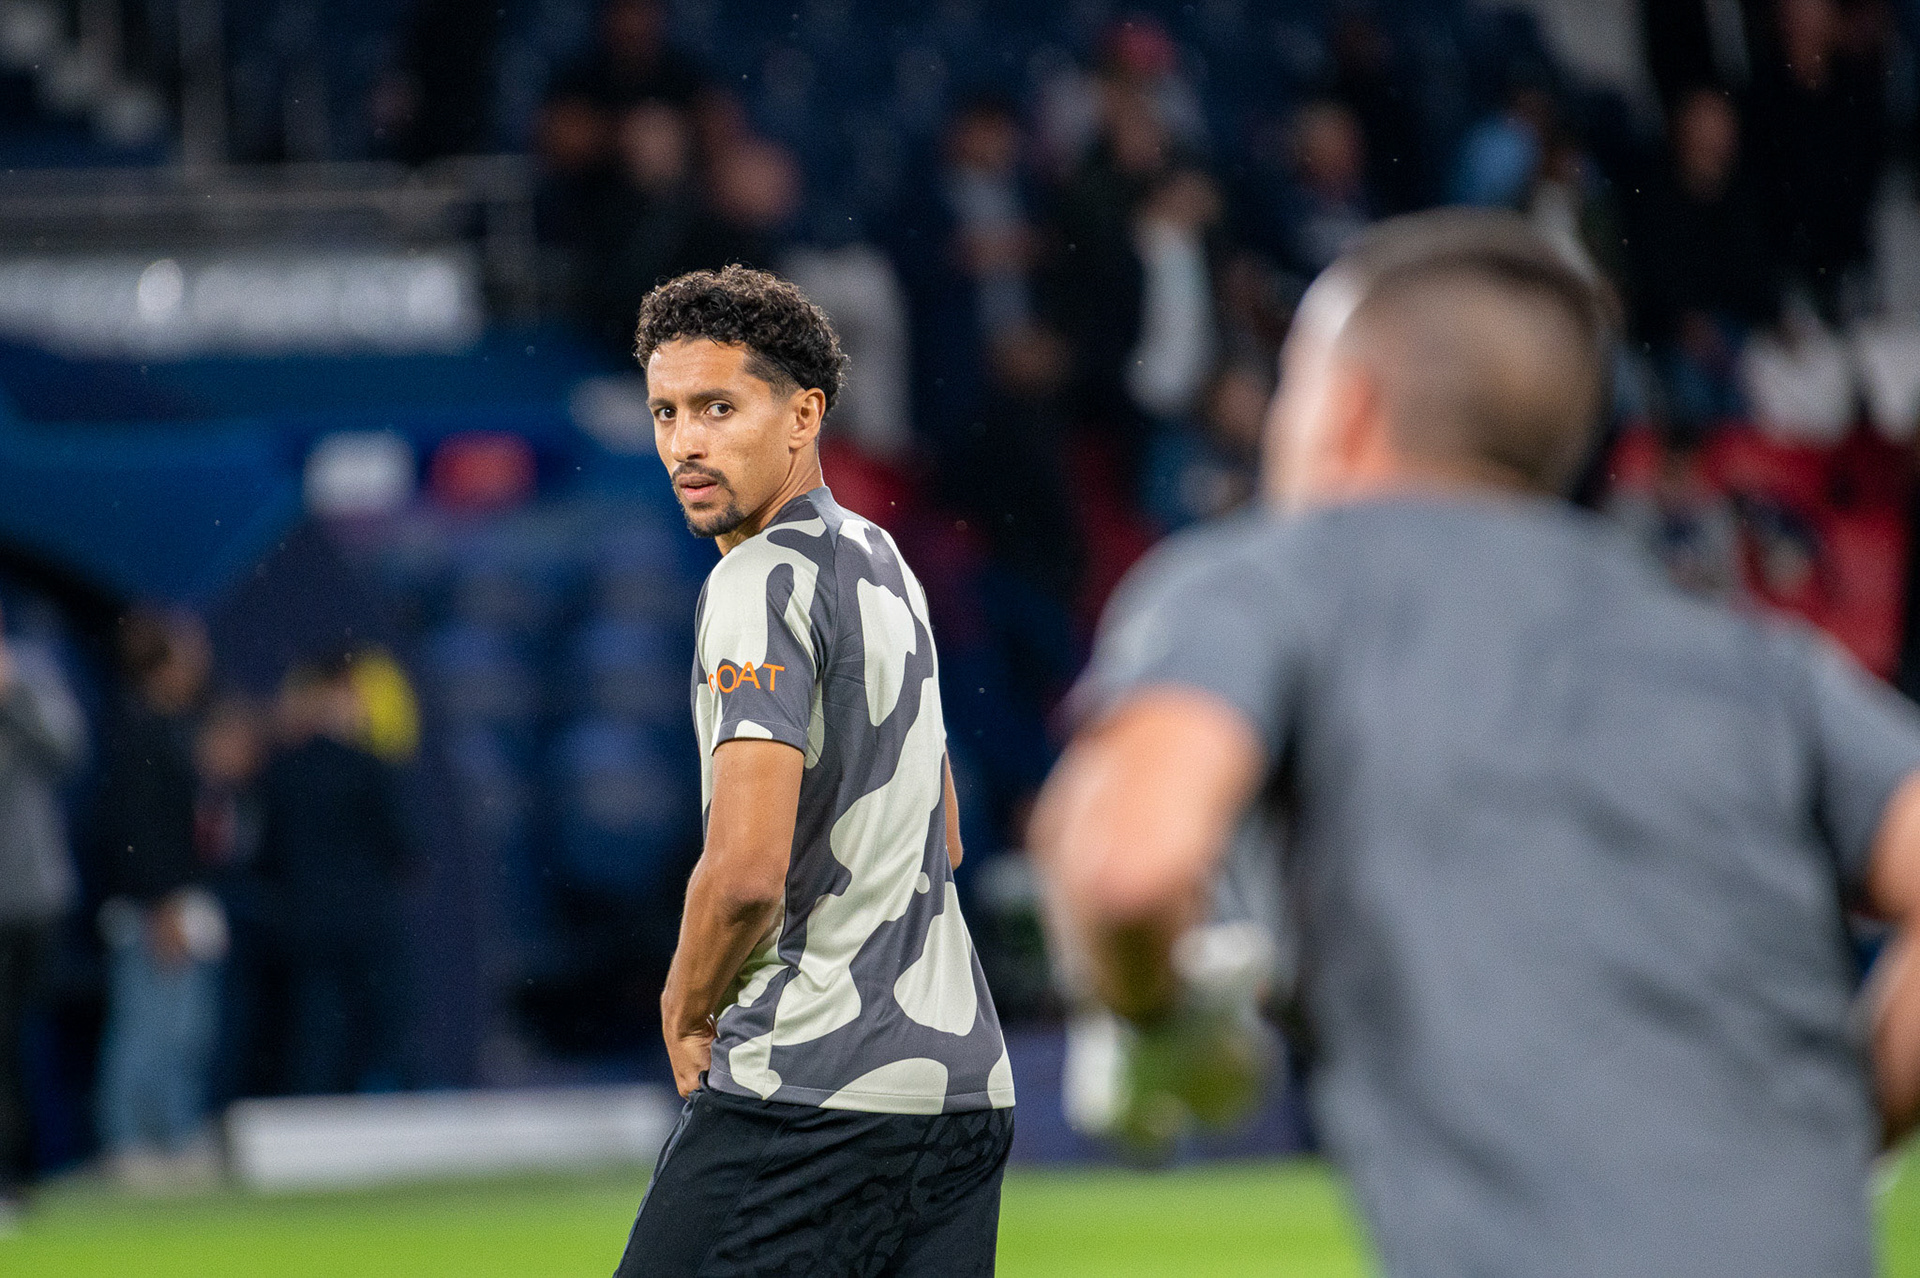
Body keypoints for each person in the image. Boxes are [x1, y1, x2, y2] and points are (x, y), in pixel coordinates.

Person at [1035, 209, 1920, 1275]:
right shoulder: (1741, 653)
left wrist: (1149, 1017)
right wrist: (1839, 1129)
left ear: (1348, 408)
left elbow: (1133, 865)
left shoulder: (1269, 581)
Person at [615, 266, 1015, 1275]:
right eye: (665, 412)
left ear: (804, 415)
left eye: (718, 407)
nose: (686, 443)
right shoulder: (884, 561)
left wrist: (686, 999)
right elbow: (945, 832)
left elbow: (747, 872)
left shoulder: (756, 583)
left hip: (812, 1091)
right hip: (961, 1091)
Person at [94, 610, 226, 1187]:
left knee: (184, 1030)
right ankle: (129, 1144)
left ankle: (172, 1136)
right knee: (148, 1028)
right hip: (153, 908)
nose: (201, 663)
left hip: (178, 899)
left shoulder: (173, 727)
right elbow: (133, 829)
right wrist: (160, 904)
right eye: (189, 653)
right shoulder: (140, 730)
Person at [256, 654, 412, 1096]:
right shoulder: (370, 767)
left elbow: (268, 852)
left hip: (306, 919)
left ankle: (313, 1115)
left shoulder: (284, 769)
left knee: (314, 1030)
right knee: (383, 1023)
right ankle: (376, 1107)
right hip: (367, 921)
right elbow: (402, 845)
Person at [0, 602, 86, 1223]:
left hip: (31, 899)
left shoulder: (32, 678)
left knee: (17, 1036)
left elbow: (68, 751)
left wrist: (12, 695)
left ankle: (21, 1173)